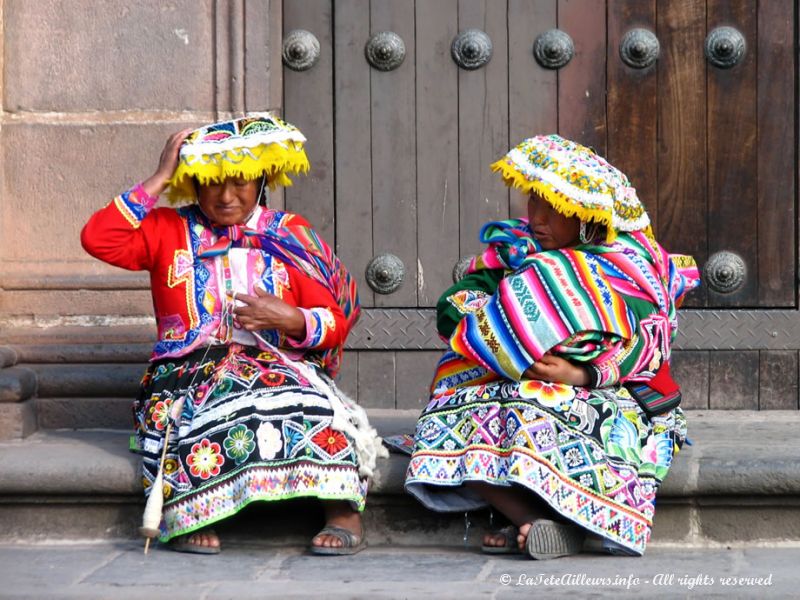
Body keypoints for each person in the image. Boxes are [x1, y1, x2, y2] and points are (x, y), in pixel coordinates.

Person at [81, 114, 385, 555]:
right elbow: (98, 238)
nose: (226, 196)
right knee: (199, 415)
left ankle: (342, 511)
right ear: (195, 184)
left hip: (277, 365)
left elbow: (335, 320)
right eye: (213, 183)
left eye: (240, 182)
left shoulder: (289, 234)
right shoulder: (167, 230)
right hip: (187, 372)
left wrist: (292, 320)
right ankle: (194, 512)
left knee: (311, 406)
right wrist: (160, 176)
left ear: (262, 180)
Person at [405, 134, 699, 559]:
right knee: (447, 422)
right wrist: (505, 331)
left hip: (610, 395)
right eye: (533, 202)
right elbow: (454, 306)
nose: (537, 217)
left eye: (553, 207)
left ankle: (550, 520)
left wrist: (580, 373)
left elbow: (649, 344)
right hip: (509, 383)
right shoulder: (515, 252)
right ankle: (533, 521)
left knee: (540, 415)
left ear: (584, 215)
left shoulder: (628, 267)